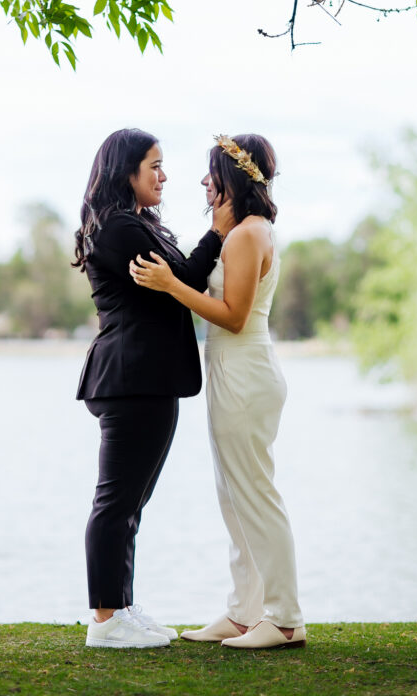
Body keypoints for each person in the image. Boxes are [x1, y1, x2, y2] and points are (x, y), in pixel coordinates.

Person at [129, 134, 306, 650]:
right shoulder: (240, 232)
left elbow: (232, 316)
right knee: (233, 498)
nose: (204, 182)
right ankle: (245, 611)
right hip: (232, 372)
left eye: (212, 173)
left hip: (247, 371)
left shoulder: (249, 236)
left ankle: (285, 617)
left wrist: (171, 287)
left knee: (255, 494)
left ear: (232, 179)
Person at [73, 128, 234, 649]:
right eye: (154, 166)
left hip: (148, 377)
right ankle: (105, 620)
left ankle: (119, 607)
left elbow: (176, 277)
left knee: (131, 503)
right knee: (117, 501)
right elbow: (181, 280)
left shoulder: (139, 224)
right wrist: (217, 231)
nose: (164, 176)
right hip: (130, 378)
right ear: (127, 172)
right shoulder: (119, 228)